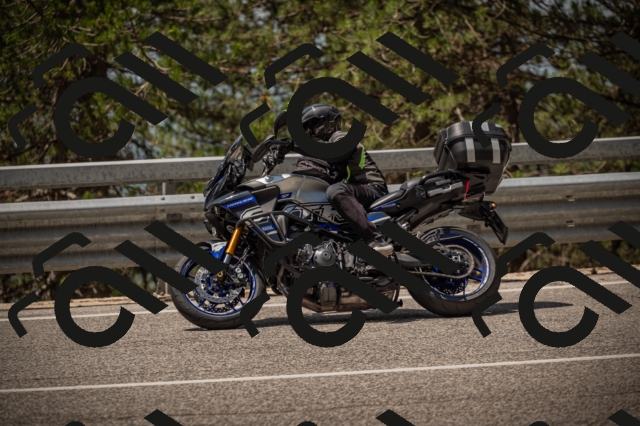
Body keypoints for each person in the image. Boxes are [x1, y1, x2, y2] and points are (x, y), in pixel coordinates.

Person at [277, 103, 394, 255]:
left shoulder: (340, 137)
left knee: (335, 190)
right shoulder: (323, 148)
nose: (309, 132)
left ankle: (374, 238)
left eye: (313, 126)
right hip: (354, 192)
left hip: (373, 188)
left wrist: (294, 146)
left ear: (328, 123)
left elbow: (334, 153)